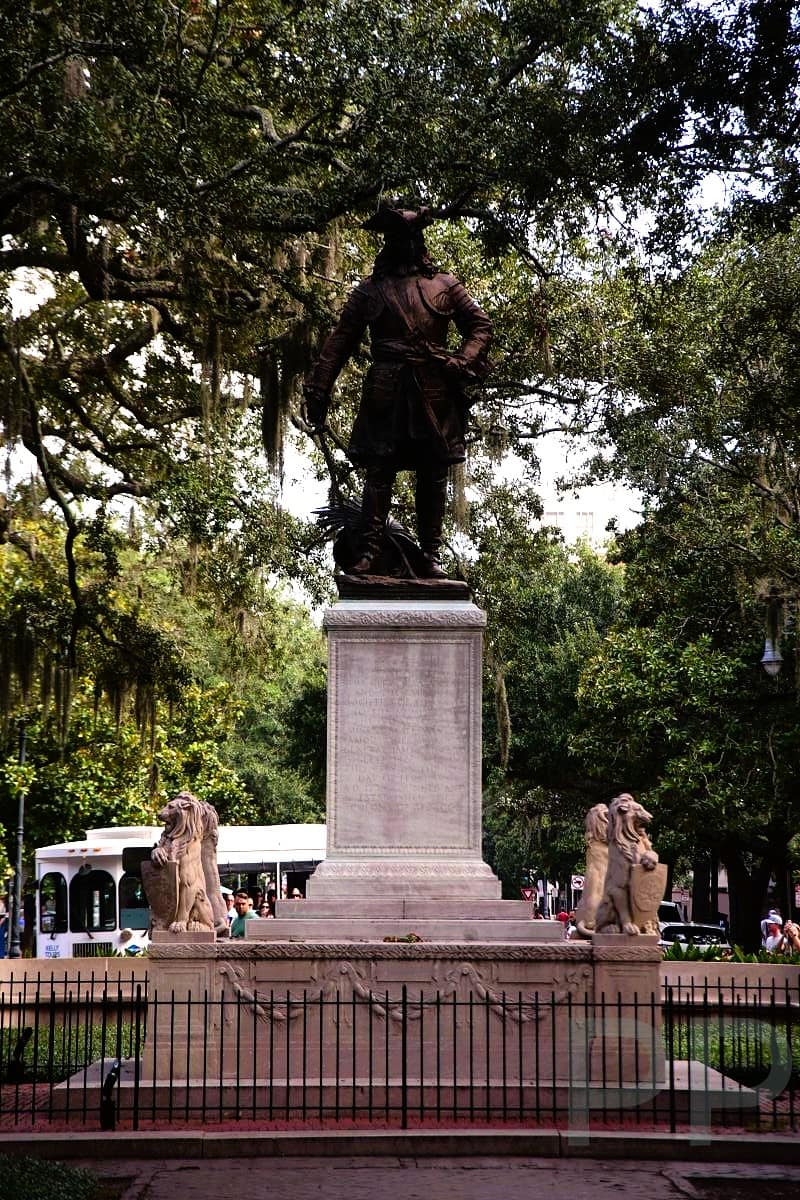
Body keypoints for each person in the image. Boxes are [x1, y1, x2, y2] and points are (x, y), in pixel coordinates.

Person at [303, 205, 493, 579]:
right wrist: (318, 390)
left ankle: (430, 555)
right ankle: (370, 552)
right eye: (396, 239)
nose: (403, 245)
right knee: (379, 471)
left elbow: (480, 326)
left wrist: (462, 360)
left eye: (409, 238)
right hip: (386, 390)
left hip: (433, 389)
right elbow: (339, 342)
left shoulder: (445, 285)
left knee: (433, 472)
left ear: (418, 242)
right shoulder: (369, 291)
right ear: (388, 244)